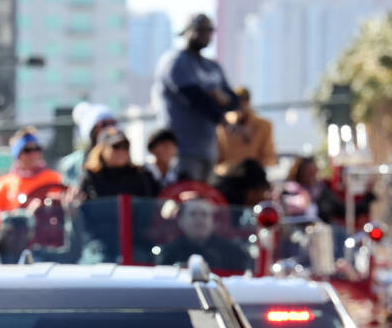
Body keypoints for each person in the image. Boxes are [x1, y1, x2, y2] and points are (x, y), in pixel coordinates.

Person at [152, 14, 238, 182]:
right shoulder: (175, 62)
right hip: (181, 150)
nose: (205, 35)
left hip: (208, 149)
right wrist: (218, 109)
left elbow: (233, 101)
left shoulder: (212, 66)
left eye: (209, 31)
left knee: (204, 204)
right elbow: (195, 98)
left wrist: (221, 98)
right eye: (200, 30)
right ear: (186, 32)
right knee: (186, 201)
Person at [155, 196, 251, 273]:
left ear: (213, 222)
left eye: (204, 214)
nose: (199, 220)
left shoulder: (233, 253)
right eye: (193, 214)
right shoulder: (168, 253)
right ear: (181, 221)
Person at [0, 127, 64, 213]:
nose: (33, 154)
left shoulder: (55, 179)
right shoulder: (5, 183)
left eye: (37, 149)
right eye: (27, 150)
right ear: (17, 154)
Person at [73, 129, 160, 202]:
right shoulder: (90, 177)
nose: (121, 151)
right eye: (116, 146)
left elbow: (157, 201)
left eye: (125, 146)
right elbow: (80, 210)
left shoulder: (141, 174)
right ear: (101, 150)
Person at [214, 86, 275, 174]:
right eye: (237, 101)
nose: (240, 105)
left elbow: (268, 156)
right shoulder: (223, 125)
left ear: (248, 102)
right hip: (229, 175)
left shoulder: (264, 125)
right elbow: (218, 157)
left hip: (252, 175)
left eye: (244, 100)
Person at [59, 103, 117, 186]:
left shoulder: (122, 156)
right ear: (92, 130)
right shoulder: (72, 164)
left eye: (113, 123)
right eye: (104, 124)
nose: (111, 128)